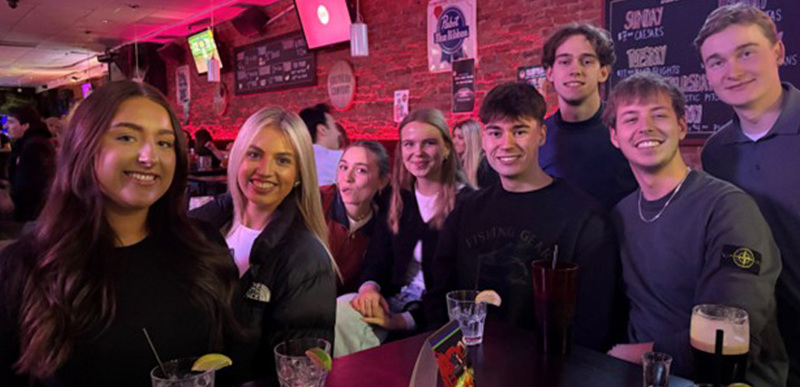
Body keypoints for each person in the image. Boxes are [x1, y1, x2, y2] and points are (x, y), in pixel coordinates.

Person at [0, 81, 242, 386]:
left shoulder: (204, 246)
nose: (148, 156)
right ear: (84, 146)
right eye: (127, 137)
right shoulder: (24, 268)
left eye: (165, 143)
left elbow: (234, 362)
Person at [604, 72, 787, 385]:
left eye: (659, 115)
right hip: (640, 375)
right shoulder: (621, 213)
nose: (645, 127)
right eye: (631, 118)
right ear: (615, 137)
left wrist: (627, 355)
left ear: (682, 126)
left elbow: (727, 338)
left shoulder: (728, 208)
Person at [428, 82, 622, 352]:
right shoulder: (466, 210)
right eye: (496, 132)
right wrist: (457, 375)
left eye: (519, 131)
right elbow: (439, 301)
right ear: (484, 139)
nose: (506, 144)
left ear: (541, 135)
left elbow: (592, 327)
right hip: (468, 371)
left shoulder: (584, 218)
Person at [190, 107, 337, 383]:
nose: (265, 170)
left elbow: (297, 372)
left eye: (282, 161)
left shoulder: (305, 257)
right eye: (254, 154)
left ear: (298, 174)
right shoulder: (195, 230)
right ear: (237, 159)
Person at [696, 5, 800, 384]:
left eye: (746, 53)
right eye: (717, 61)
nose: (733, 72)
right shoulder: (716, 151)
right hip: (762, 345)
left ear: (778, 51)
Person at [334, 108, 468, 357]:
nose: (417, 152)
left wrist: (401, 320)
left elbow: (456, 288)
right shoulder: (396, 199)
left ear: (447, 148)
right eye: (409, 144)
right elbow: (376, 258)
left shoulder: (467, 205)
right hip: (389, 303)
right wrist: (369, 289)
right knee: (339, 312)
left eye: (429, 143)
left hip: (435, 317)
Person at [539, 23, 636, 210]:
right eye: (565, 62)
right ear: (550, 73)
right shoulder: (538, 137)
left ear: (603, 72)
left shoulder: (627, 129)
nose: (575, 70)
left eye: (587, 61)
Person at [321, 141, 390, 295]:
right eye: (344, 167)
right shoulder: (315, 201)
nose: (347, 177)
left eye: (360, 170)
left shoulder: (382, 227)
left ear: (382, 181)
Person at [4, 105, 56, 222]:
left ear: (26, 126)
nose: (6, 126)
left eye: (11, 122)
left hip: (34, 217)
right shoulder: (28, 144)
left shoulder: (34, 147)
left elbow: (31, 188)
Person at [299, 103, 342, 186]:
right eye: (334, 127)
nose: (338, 133)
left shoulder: (293, 161)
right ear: (322, 130)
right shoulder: (343, 160)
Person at [451, 119, 484, 188]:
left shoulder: (484, 166)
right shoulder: (456, 162)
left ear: (471, 140)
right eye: (454, 136)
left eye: (460, 138)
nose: (454, 141)